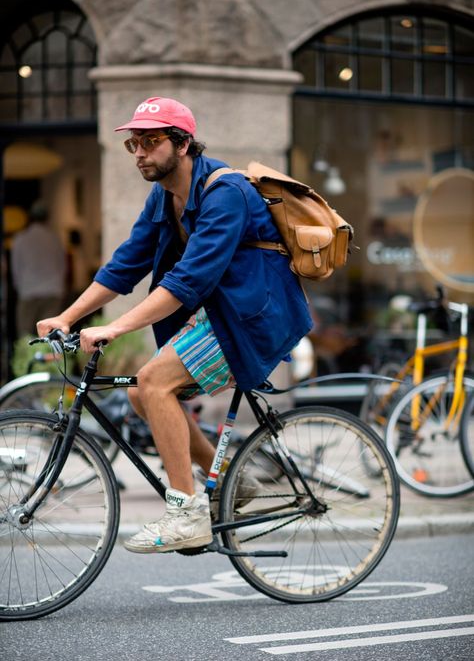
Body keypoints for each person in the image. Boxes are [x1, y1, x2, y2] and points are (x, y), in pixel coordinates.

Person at [37, 96, 313, 553]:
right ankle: (227, 482)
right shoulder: (164, 197)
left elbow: (189, 281)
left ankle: (187, 514)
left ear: (183, 144)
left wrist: (115, 329)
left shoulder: (226, 193)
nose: (140, 152)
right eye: (134, 144)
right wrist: (68, 316)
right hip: (224, 313)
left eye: (151, 141)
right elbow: (125, 266)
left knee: (154, 381)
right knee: (139, 392)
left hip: (255, 318)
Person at [11, 200, 66, 337]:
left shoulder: (21, 238)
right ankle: (51, 358)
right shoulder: (54, 238)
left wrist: (19, 288)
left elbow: (16, 268)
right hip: (52, 290)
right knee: (51, 335)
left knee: (25, 335)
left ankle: (27, 358)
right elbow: (62, 265)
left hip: (29, 290)